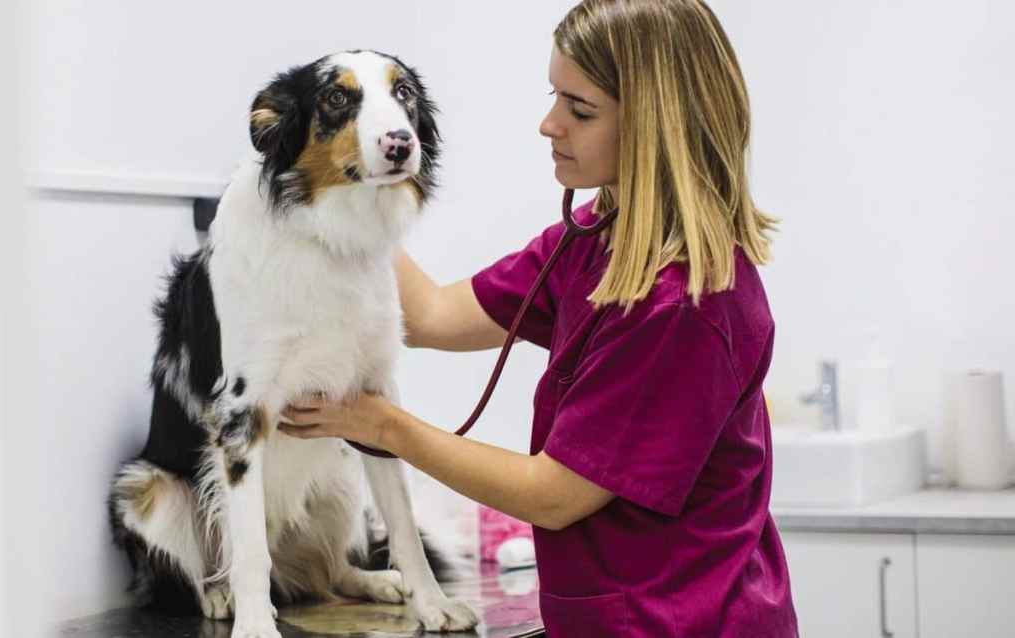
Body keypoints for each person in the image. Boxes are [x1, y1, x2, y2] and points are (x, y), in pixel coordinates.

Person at [279, 1, 799, 635]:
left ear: (657, 125)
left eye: (579, 110)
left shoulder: (683, 304)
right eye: (555, 97)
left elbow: (553, 496)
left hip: (685, 622)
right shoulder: (591, 244)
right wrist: (348, 181)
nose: (549, 125)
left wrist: (381, 424)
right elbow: (433, 314)